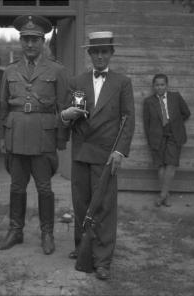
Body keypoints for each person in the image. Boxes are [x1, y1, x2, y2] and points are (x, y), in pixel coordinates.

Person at [0, 15, 70, 255]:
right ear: (20, 40)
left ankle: (47, 233)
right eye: (25, 39)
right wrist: (1, 137)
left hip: (43, 136)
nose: (29, 44)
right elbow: (4, 106)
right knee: (17, 187)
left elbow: (64, 107)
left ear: (43, 40)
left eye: (35, 39)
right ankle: (16, 231)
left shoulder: (57, 70)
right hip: (16, 135)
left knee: (44, 189)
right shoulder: (11, 70)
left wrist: (60, 138)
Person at [61, 31, 135, 280]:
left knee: (103, 207)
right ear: (89, 54)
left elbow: (128, 119)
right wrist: (66, 115)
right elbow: (67, 116)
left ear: (111, 54)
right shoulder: (76, 81)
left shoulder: (122, 82)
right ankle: (82, 246)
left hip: (107, 155)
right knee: (81, 203)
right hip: (81, 152)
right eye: (96, 52)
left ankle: (102, 259)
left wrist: (119, 151)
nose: (100, 56)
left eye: (105, 51)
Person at [143, 74, 191, 207]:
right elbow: (147, 123)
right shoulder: (148, 102)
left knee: (171, 164)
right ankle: (166, 195)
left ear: (167, 85)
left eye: (162, 84)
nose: (160, 87)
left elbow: (186, 113)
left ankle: (162, 195)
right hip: (157, 137)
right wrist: (150, 140)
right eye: (157, 85)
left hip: (173, 136)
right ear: (153, 86)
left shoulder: (175, 97)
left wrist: (176, 124)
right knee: (161, 166)